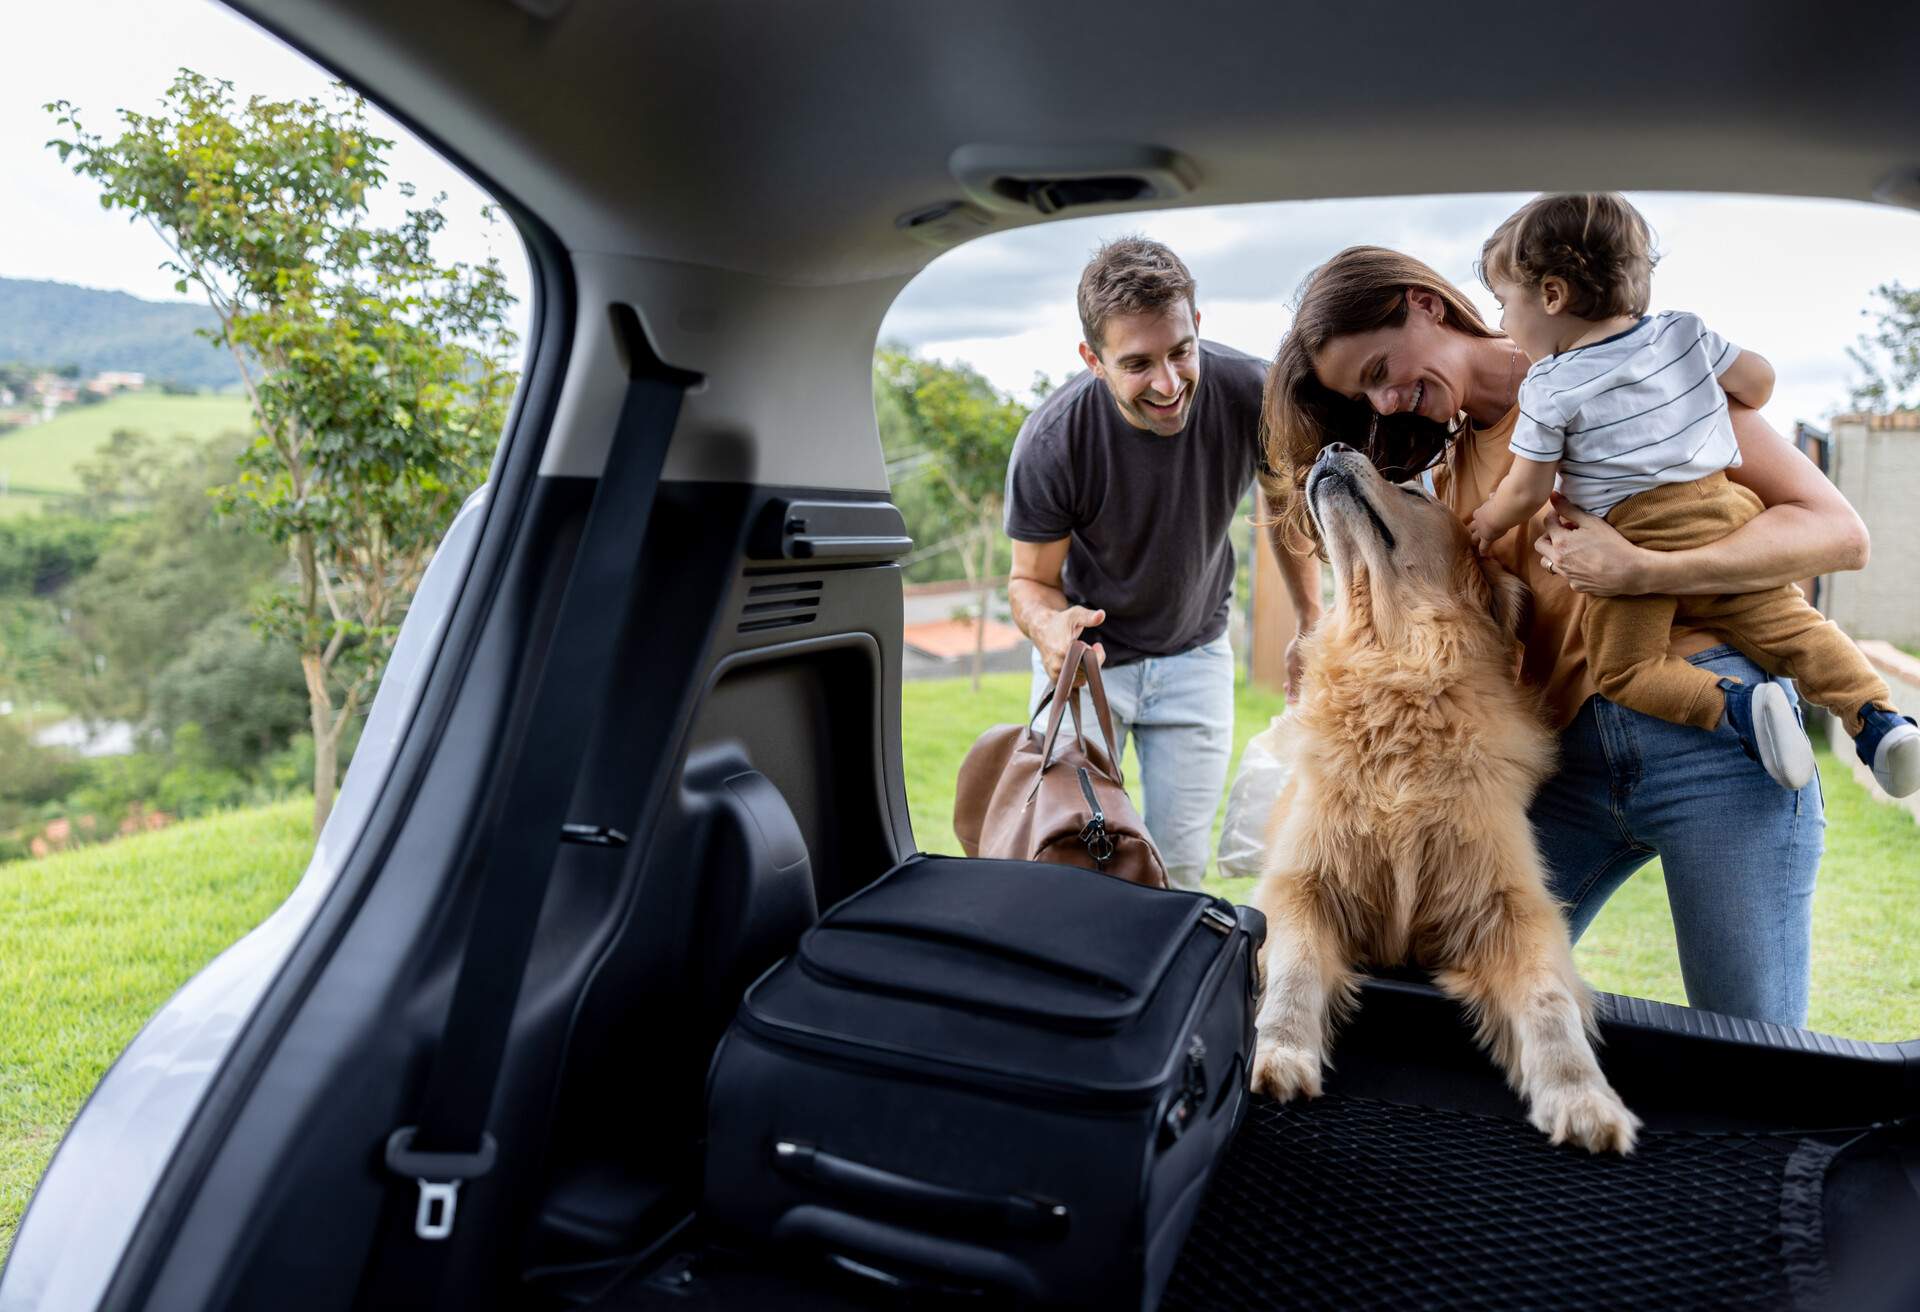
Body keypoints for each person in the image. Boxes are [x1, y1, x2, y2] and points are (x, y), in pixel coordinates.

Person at [1263, 243, 1872, 1028]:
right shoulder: (1451, 476)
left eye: (1380, 370)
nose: (1385, 404)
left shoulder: (1638, 376)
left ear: (1424, 302)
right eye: (1364, 394)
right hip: (1569, 765)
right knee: (1443, 1001)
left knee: (1751, 1042)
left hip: (1717, 743)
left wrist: (1644, 571)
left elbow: (1837, 534)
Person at [1469, 193, 1919, 798]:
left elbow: (1528, 490)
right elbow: (1757, 383)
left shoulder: (1548, 387)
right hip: (1724, 515)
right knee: (1797, 630)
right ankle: (1878, 719)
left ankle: (1737, 708)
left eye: (1504, 305)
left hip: (1633, 533)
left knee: (1628, 670)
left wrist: (1484, 522)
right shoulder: (1682, 333)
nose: (1502, 324)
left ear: (1552, 296)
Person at [1003, 236, 1319, 891]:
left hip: (1195, 658)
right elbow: (1030, 581)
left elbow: (1285, 509)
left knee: (1175, 871)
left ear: (1198, 326)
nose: (1169, 383)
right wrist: (1049, 632)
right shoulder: (1054, 439)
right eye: (1138, 363)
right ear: (1094, 359)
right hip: (1088, 669)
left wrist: (1311, 622)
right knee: (1076, 861)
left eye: (1180, 351)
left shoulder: (1252, 393)